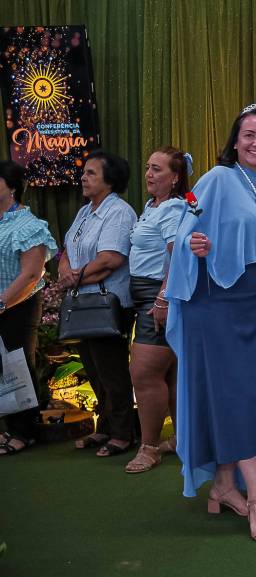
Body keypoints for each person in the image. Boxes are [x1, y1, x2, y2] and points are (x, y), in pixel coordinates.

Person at [165, 102, 256, 543]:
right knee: (233, 395)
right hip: (216, 301)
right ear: (235, 141)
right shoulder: (216, 179)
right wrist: (192, 244)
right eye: (249, 135)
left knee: (251, 395)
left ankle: (223, 485)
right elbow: (183, 228)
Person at [60, 151, 138, 458]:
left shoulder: (119, 212)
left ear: (110, 180)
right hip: (84, 301)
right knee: (94, 370)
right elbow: (67, 251)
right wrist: (67, 271)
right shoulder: (84, 211)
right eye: (85, 172)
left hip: (110, 303)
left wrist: (74, 278)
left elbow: (110, 260)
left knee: (112, 371)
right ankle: (104, 427)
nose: (83, 177)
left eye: (91, 173)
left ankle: (123, 434)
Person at [124, 147, 189, 473]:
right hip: (146, 295)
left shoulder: (173, 208)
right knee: (170, 373)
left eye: (157, 169)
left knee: (144, 373)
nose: (149, 174)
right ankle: (181, 439)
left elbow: (179, 257)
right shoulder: (153, 206)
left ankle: (149, 447)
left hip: (157, 296)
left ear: (175, 178)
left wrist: (163, 298)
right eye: (148, 167)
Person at [0, 161, 57, 456]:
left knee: (17, 366)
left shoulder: (29, 225)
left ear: (12, 187)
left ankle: (25, 432)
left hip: (18, 305)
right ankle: (8, 428)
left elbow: (32, 274)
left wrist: (2, 302)